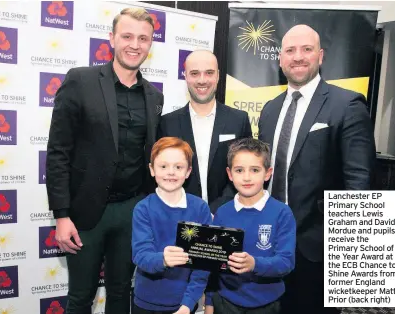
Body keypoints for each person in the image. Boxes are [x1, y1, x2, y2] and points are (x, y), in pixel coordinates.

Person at [46, 8, 164, 314]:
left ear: (150, 44)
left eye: (143, 38)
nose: (134, 45)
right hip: (85, 214)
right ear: (112, 38)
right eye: (127, 36)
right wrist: (61, 215)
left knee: (121, 292)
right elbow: (58, 151)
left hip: (132, 211)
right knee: (80, 297)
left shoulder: (154, 97)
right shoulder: (80, 81)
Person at [258, 24, 376, 314]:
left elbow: (360, 181)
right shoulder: (270, 110)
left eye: (306, 49)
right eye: (290, 50)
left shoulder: (347, 104)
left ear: (320, 56)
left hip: (317, 248)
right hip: (268, 241)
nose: (298, 57)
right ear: (280, 59)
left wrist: (347, 258)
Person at [204, 138, 296, 314]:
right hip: (226, 302)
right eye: (239, 170)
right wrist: (209, 302)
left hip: (267, 304)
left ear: (268, 173)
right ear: (230, 174)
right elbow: (213, 263)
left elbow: (286, 262)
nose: (246, 177)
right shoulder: (222, 213)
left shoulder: (282, 213)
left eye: (255, 170)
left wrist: (254, 263)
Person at [158, 50, 252, 214]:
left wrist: (219, 210)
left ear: (217, 76)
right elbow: (163, 173)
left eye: (209, 73)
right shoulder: (167, 123)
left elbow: (245, 169)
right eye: (195, 73)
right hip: (180, 215)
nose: (202, 80)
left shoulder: (239, 120)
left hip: (227, 215)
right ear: (185, 76)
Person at [131, 137, 213, 314]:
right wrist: (163, 259)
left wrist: (187, 304)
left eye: (178, 167)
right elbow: (140, 255)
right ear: (152, 170)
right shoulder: (143, 208)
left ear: (188, 171)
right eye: (163, 166)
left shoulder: (200, 209)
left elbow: (204, 265)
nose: (171, 172)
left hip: (183, 304)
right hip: (146, 303)